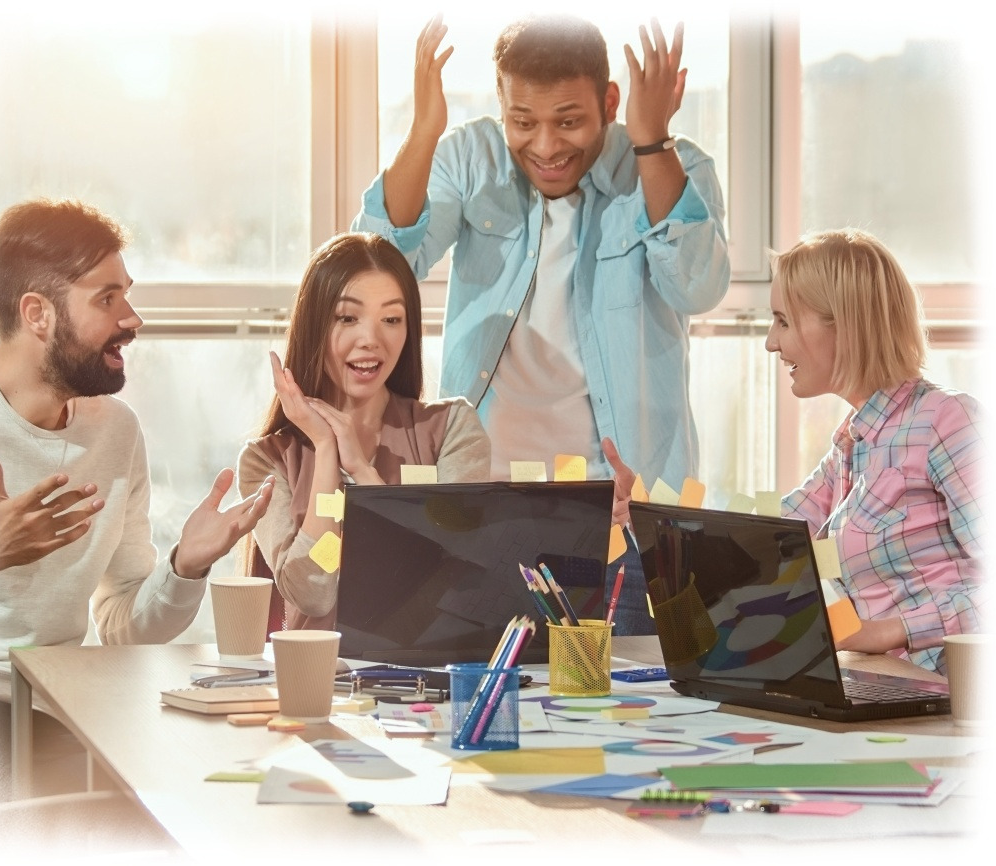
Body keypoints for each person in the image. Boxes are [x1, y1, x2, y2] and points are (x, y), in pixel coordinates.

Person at [352, 14, 730, 634]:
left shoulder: (670, 165)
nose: (546, 146)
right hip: (484, 504)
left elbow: (697, 286)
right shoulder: (470, 159)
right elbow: (384, 256)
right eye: (523, 122)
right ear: (501, 105)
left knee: (629, 709)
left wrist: (652, 140)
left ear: (610, 101)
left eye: (569, 121)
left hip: (625, 514)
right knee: (476, 693)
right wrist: (423, 131)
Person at [0, 198, 274, 802]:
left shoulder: (115, 432)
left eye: (126, 294)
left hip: (62, 706)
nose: (131, 318)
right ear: (37, 313)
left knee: (208, 791)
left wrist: (186, 566)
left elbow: (121, 627)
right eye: (106, 299)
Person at [237, 232, 491, 631]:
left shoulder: (453, 430)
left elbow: (449, 580)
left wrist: (363, 473)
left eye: (391, 319)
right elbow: (313, 593)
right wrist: (325, 450)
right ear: (314, 325)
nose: (371, 340)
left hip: (428, 682)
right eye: (348, 318)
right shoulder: (266, 460)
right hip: (320, 685)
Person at [765, 229, 984, 675]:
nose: (771, 342)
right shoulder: (854, 442)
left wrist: (891, 629)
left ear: (843, 325)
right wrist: (647, 514)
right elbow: (771, 537)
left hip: (952, 694)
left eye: (783, 321)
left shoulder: (946, 420)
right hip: (886, 683)